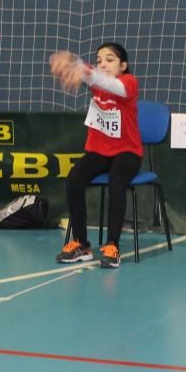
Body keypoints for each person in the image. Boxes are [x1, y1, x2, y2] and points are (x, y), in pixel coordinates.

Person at [50, 43, 142, 268]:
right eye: (99, 60)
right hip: (100, 151)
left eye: (109, 60)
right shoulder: (98, 83)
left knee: (116, 183)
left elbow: (109, 83)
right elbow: (94, 79)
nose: (103, 64)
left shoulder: (128, 83)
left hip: (127, 151)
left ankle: (112, 247)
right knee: (74, 181)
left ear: (123, 65)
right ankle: (81, 244)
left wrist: (83, 68)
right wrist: (74, 65)